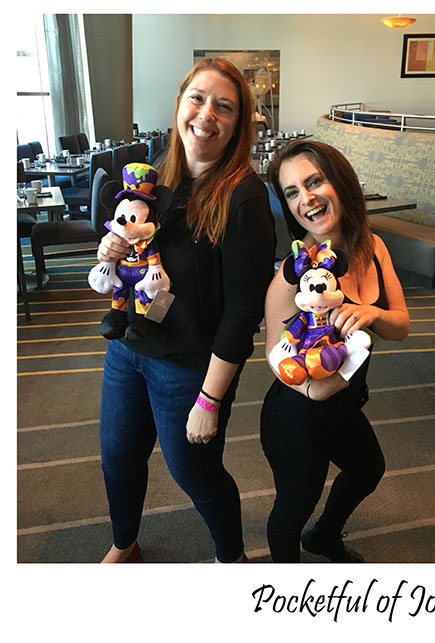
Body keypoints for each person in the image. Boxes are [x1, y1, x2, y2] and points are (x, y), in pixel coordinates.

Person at [97, 57, 275, 563]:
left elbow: (243, 311)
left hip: (191, 364)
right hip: (130, 347)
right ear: (180, 104)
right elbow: (136, 246)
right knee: (118, 457)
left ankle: (230, 557)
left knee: (194, 472)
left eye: (224, 107)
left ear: (237, 124)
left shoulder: (244, 196)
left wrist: (210, 400)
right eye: (197, 98)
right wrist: (112, 251)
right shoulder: (159, 172)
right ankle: (124, 544)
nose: (206, 114)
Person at [260, 140, 409, 563]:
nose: (305, 199)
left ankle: (324, 537)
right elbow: (281, 362)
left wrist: (370, 314)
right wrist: (338, 371)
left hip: (345, 405)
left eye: (314, 182)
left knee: (368, 470)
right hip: (298, 415)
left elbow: (400, 326)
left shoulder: (373, 247)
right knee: (293, 509)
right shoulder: (294, 277)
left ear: (340, 182)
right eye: (292, 192)